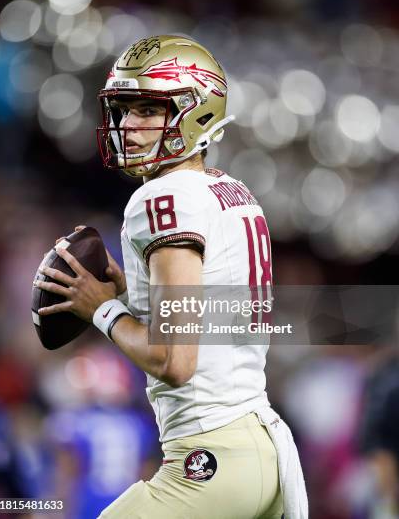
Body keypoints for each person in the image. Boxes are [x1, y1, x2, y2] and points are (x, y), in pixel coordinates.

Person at [36, 35, 308, 518]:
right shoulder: (229, 191)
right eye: (122, 110)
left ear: (194, 111)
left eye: (147, 109)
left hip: (210, 459)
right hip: (258, 449)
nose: (128, 125)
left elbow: (175, 359)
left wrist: (101, 307)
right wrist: (129, 293)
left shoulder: (161, 198)